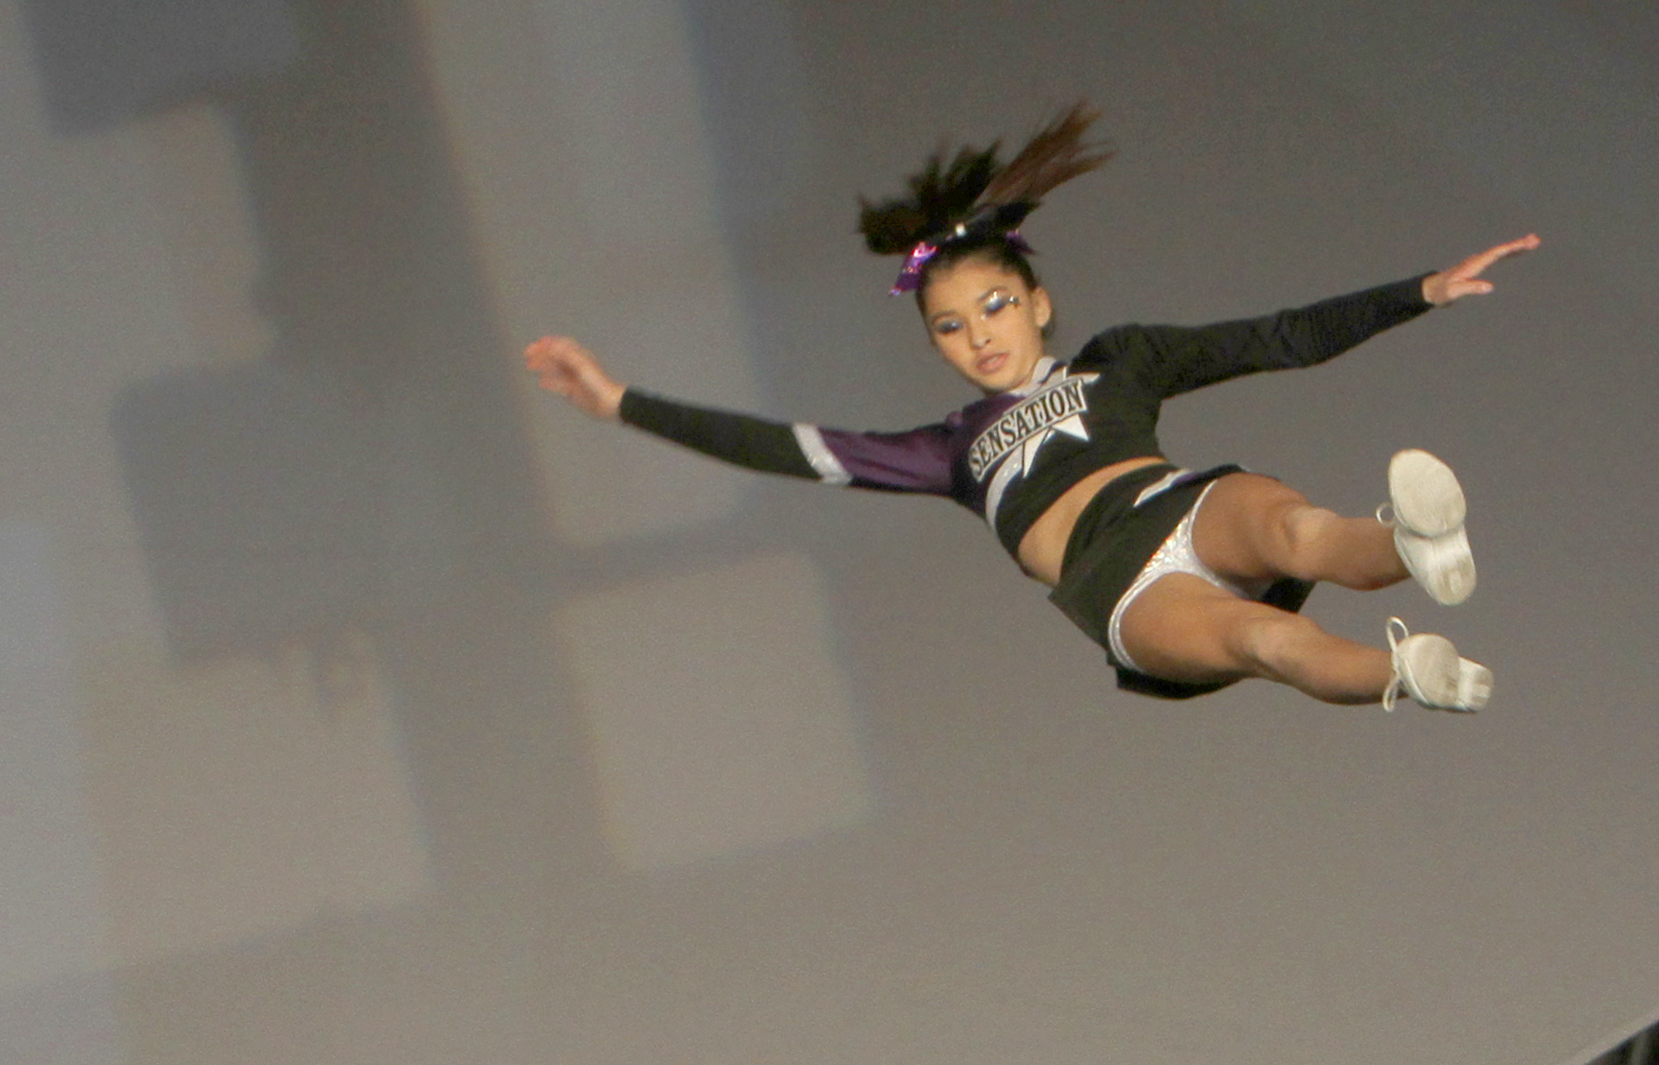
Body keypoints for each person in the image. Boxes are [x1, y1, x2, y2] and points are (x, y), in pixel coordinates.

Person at [525, 105, 1538, 713]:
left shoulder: (1121, 362)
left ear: (1037, 300)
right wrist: (619, 402)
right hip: (1118, 589)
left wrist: (1417, 292)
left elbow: (1273, 337)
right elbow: (782, 448)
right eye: (950, 328)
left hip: (1176, 505)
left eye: (994, 306)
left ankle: (1410, 544)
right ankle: (1409, 674)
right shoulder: (943, 449)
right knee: (1258, 642)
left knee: (1289, 526)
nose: (979, 337)